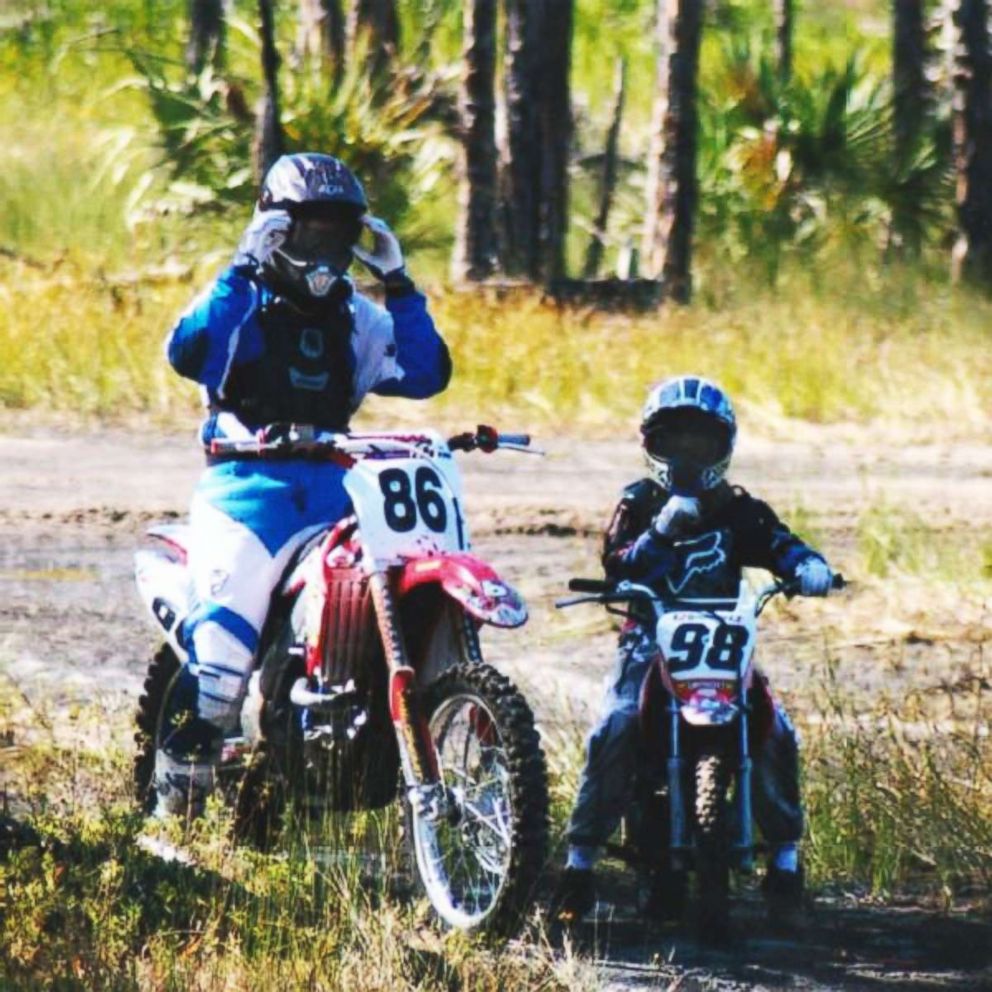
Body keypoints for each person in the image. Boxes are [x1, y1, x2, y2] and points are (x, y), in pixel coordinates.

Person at [154, 152, 452, 818]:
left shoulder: (356, 317)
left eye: (338, 233)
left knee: (387, 610)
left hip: (336, 500)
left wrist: (399, 282)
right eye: (307, 230)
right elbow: (190, 354)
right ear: (275, 230)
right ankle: (169, 816)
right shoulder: (241, 303)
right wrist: (240, 266)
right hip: (245, 498)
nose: (324, 248)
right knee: (221, 667)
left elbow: (427, 374)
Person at [554, 375, 834, 923]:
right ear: (651, 444)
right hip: (648, 642)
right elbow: (616, 565)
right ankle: (578, 865)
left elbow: (779, 543)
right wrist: (658, 533)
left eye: (698, 443)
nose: (685, 455)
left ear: (722, 447)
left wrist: (806, 565)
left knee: (777, 730)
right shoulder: (638, 502)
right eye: (673, 441)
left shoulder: (735, 507)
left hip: (724, 641)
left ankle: (784, 862)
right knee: (613, 726)